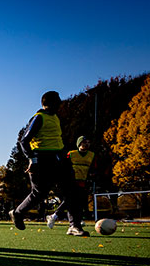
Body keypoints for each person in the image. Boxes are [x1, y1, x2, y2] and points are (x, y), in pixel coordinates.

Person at [9, 91, 88, 236]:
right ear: (50, 103)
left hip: (60, 159)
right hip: (42, 159)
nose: (60, 102)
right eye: (58, 100)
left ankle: (74, 226)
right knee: (39, 194)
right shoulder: (39, 118)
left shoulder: (56, 118)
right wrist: (32, 159)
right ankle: (17, 212)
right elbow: (24, 141)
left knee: (72, 191)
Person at [47, 136, 95, 234]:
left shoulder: (92, 155)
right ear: (79, 144)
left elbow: (94, 168)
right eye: (84, 142)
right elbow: (63, 166)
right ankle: (71, 223)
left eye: (88, 142)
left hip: (83, 182)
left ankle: (69, 223)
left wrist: (92, 176)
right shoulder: (72, 154)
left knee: (75, 203)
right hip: (70, 181)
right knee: (70, 200)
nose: (86, 144)